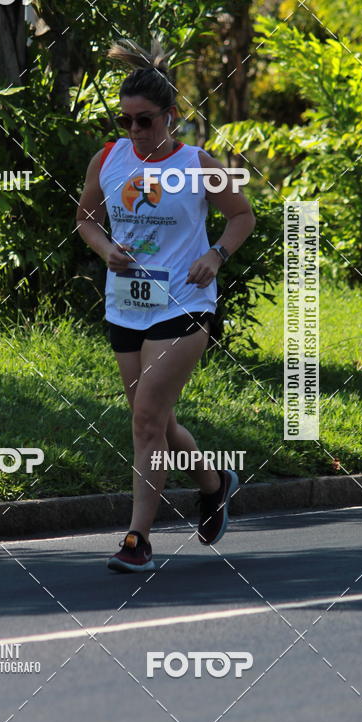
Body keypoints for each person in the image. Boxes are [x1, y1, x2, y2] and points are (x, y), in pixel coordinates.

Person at [76, 39, 256, 572]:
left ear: (171, 118)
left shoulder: (197, 163)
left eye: (146, 121)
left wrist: (216, 255)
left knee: (148, 418)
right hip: (127, 304)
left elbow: (242, 215)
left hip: (185, 304)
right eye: (126, 120)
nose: (135, 132)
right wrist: (107, 249)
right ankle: (214, 480)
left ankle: (138, 540)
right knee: (150, 417)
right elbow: (86, 220)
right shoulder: (108, 159)